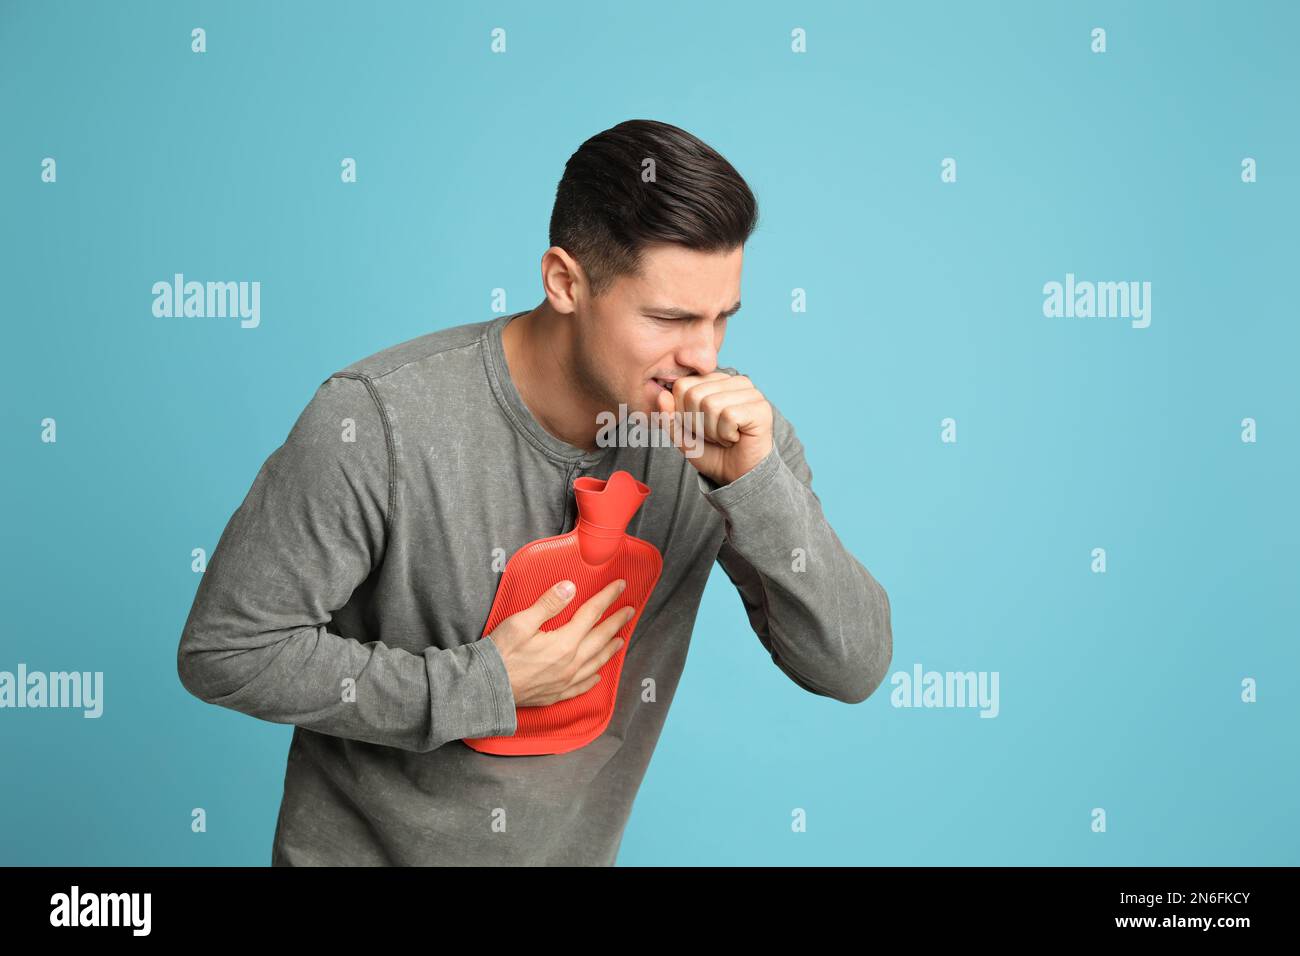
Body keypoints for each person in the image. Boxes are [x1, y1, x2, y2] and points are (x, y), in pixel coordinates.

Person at [176, 118, 893, 866]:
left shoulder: (730, 438)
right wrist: (480, 684)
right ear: (564, 283)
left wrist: (756, 487)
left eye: (721, 319)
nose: (704, 356)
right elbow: (228, 651)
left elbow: (852, 668)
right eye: (669, 319)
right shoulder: (376, 421)